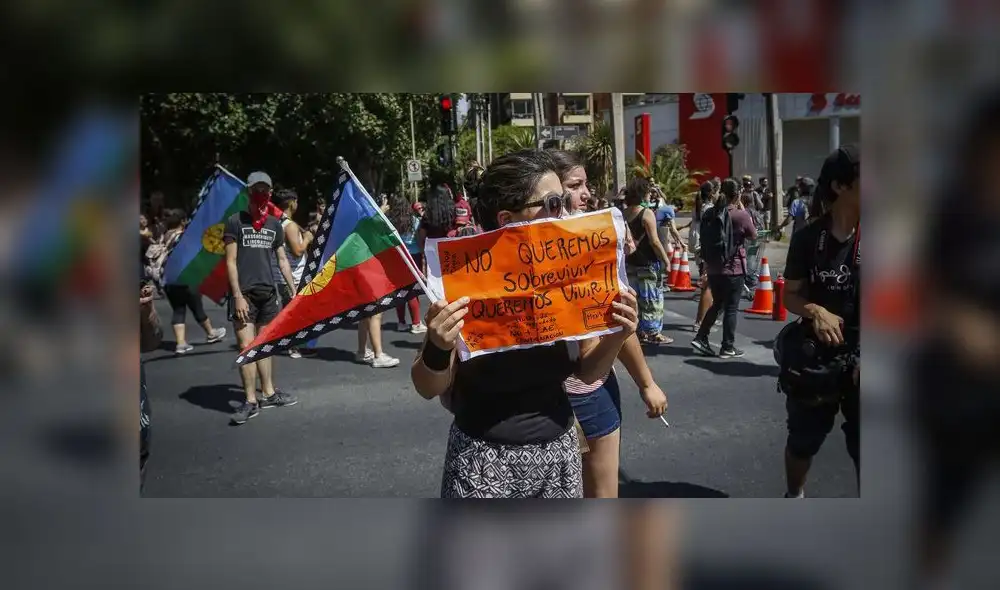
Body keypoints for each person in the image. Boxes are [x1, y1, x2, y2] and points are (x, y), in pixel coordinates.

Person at [411, 149, 639, 498]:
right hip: (483, 461)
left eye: (564, 201)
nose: (564, 211)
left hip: (558, 455)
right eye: (552, 203)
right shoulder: (461, 281)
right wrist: (439, 346)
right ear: (506, 218)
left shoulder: (570, 278)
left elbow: (588, 373)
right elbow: (428, 386)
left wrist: (618, 334)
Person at [550, 150, 668, 498]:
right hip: (539, 404)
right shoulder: (521, 254)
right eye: (576, 185)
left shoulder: (592, 248)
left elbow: (619, 326)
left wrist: (647, 384)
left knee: (600, 495)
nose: (587, 194)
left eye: (586, 184)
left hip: (591, 393)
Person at [779, 144, 860, 499]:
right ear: (841, 186)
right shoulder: (808, 238)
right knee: (802, 442)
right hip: (816, 360)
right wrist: (816, 311)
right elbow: (790, 295)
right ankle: (794, 497)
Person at [224, 171, 299, 425]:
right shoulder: (236, 221)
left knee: (265, 346)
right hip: (244, 295)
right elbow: (230, 262)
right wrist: (237, 296)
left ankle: (268, 393)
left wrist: (294, 291)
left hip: (269, 293)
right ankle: (250, 401)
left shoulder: (275, 225)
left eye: (265, 190)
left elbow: (282, 261)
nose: (262, 195)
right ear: (248, 192)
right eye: (257, 190)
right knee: (247, 348)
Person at [691, 178, 756, 358]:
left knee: (717, 304)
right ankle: (727, 347)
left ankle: (701, 336)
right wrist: (742, 208)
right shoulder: (740, 215)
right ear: (738, 194)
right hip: (733, 268)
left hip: (713, 267)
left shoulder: (710, 213)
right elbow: (753, 235)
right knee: (731, 308)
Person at [161, 209, 226, 353]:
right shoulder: (184, 237)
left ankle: (181, 343)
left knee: (179, 310)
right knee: (197, 307)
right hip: (187, 278)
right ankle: (211, 333)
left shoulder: (165, 236)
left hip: (170, 279)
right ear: (183, 221)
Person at [623, 177, 674, 345]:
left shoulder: (624, 213)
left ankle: (638, 331)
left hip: (630, 262)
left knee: (635, 298)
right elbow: (655, 241)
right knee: (652, 298)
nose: (650, 196)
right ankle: (653, 332)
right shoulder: (647, 214)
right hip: (647, 263)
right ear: (642, 194)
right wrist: (666, 260)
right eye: (648, 193)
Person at [355, 193, 402, 369]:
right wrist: (381, 210)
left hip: (363, 268)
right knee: (375, 312)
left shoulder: (359, 220)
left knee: (365, 313)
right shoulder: (368, 220)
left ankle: (362, 351)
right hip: (368, 269)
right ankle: (378, 354)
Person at [269, 188, 313, 358]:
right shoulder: (290, 225)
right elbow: (297, 250)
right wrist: (307, 239)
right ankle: (293, 346)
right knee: (294, 312)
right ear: (291, 202)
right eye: (296, 201)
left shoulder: (277, 223)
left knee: (292, 310)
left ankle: (297, 344)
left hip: (282, 276)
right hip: (293, 276)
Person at [387, 194, 427, 334]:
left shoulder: (389, 222)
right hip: (414, 256)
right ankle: (416, 323)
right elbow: (419, 240)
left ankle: (401, 322)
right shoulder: (414, 221)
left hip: (397, 257)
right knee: (413, 290)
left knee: (400, 290)